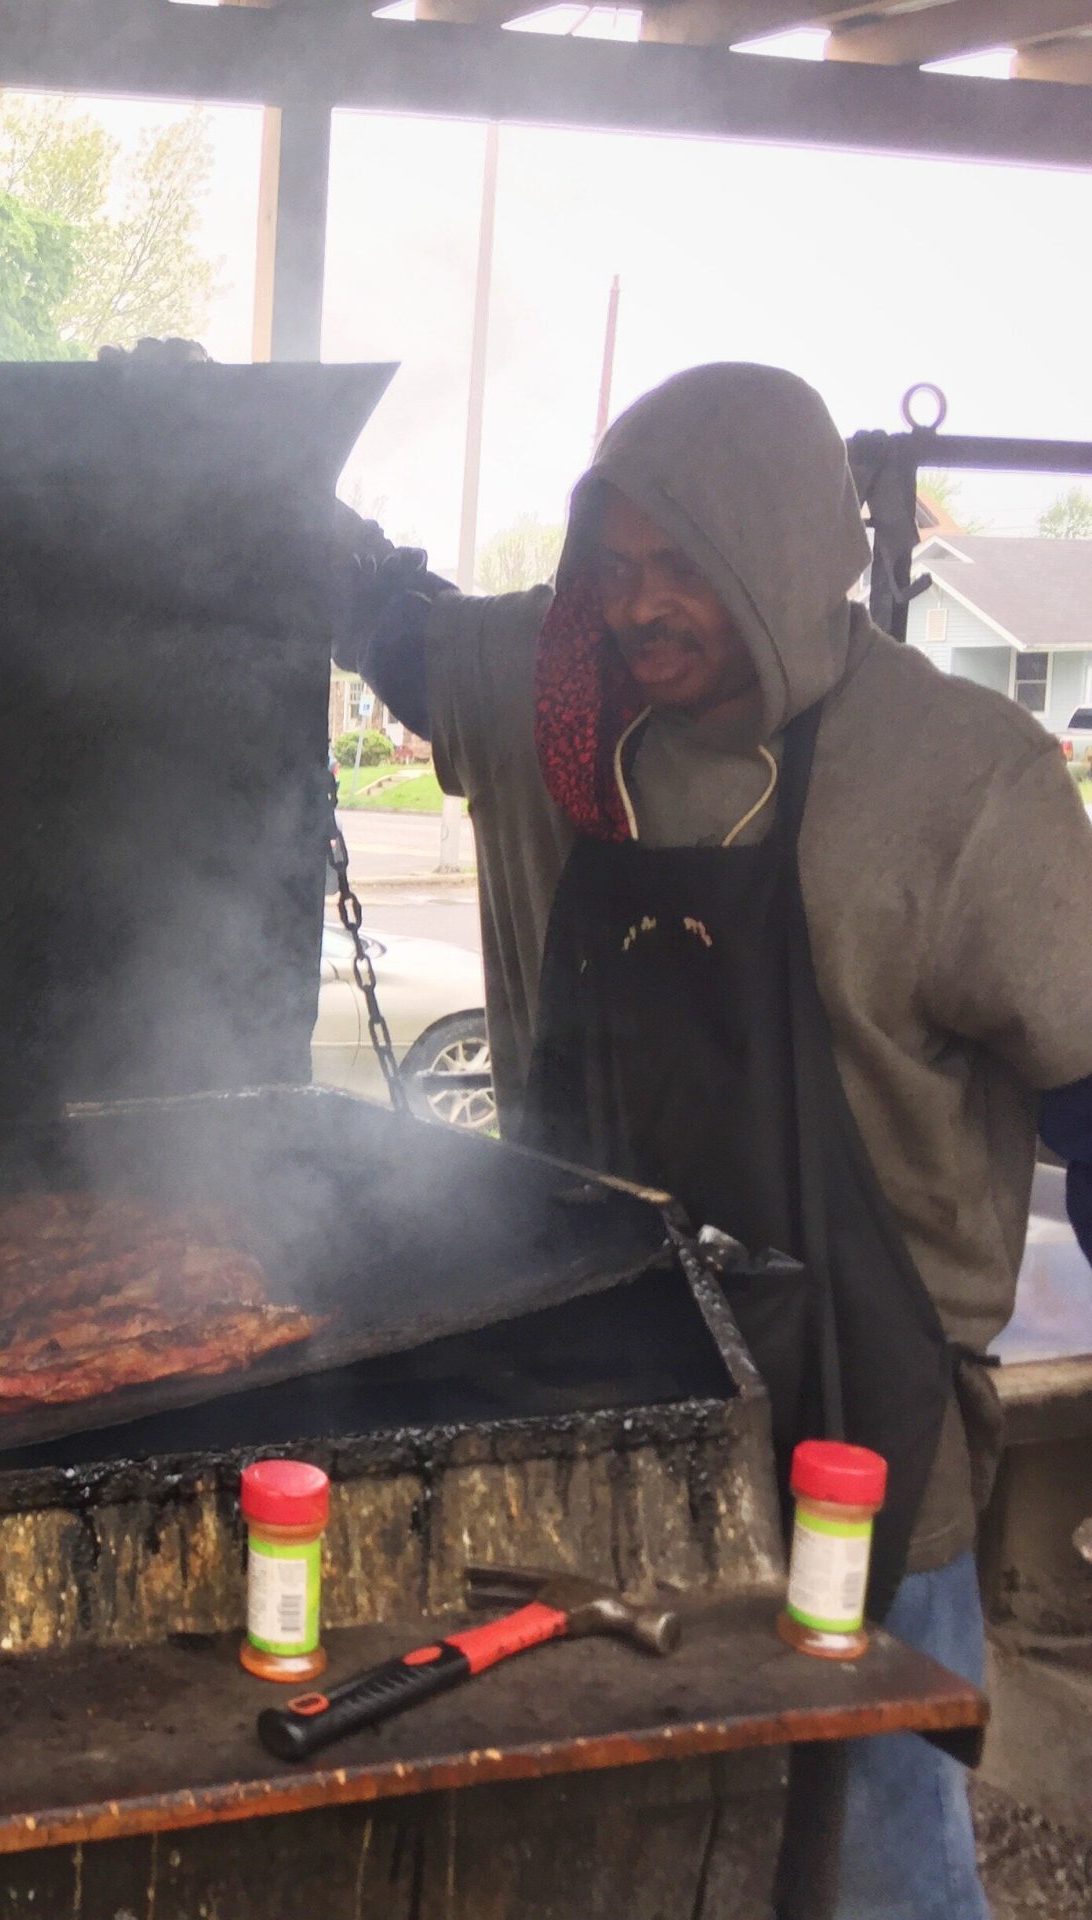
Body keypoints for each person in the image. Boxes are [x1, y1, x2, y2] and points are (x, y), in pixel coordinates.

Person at [335, 362, 1092, 1920]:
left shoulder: (964, 785)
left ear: (781, 553)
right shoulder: (561, 705)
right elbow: (390, 621)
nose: (635, 610)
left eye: (683, 566)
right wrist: (248, 479)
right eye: (613, 566)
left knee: (876, 1843)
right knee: (611, 1837)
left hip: (858, 1446)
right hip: (595, 1404)